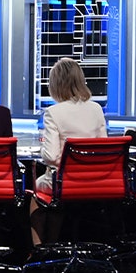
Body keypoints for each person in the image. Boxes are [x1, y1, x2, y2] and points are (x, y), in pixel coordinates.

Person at [31, 57, 107, 244]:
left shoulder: (54, 112)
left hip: (66, 182)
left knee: (34, 193)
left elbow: (50, 156)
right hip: (95, 181)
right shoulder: (96, 109)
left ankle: (41, 250)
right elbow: (104, 149)